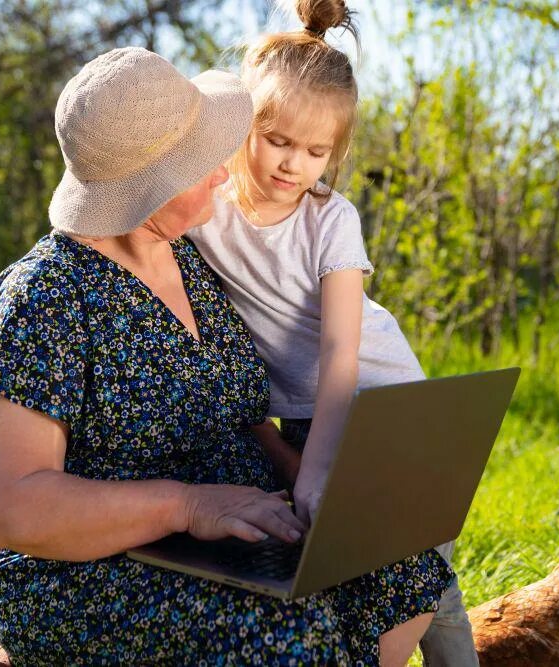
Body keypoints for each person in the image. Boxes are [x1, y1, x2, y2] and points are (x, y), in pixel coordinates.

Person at [0, 46, 452, 666]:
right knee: (287, 630)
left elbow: (239, 415)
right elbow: (10, 509)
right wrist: (190, 504)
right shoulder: (43, 297)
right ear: (148, 190)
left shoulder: (189, 259)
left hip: (231, 531)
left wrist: (307, 483)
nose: (224, 170)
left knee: (399, 569)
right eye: (200, 163)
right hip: (90, 573)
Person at [185, 1, 480, 664]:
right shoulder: (207, 214)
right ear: (243, 128)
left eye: (317, 151)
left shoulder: (331, 219)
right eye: (279, 141)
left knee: (424, 579)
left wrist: (314, 472)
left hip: (389, 404)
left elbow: (341, 354)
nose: (295, 165)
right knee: (342, 573)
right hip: (304, 415)